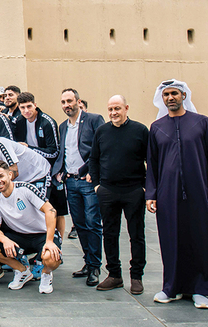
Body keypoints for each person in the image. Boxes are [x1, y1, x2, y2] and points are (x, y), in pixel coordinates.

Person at [146, 79, 208, 308]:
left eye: (174, 93)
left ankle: (201, 289)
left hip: (199, 193)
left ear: (183, 96)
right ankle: (173, 288)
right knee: (171, 240)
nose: (170, 98)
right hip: (168, 196)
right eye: (166, 95)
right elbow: (152, 164)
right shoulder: (157, 127)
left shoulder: (202, 123)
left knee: (201, 239)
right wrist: (151, 194)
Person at [89, 95, 148, 295]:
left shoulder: (140, 130)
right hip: (108, 191)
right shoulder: (102, 131)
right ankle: (114, 274)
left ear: (126, 108)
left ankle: (136, 276)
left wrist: (145, 188)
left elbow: (151, 160)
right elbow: (94, 159)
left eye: (117, 108)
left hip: (134, 191)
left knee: (136, 235)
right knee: (110, 234)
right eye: (110, 109)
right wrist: (97, 186)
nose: (113, 113)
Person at [52, 88, 105, 286]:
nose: (67, 105)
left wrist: (93, 170)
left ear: (78, 101)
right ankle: (88, 261)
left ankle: (95, 266)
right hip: (71, 181)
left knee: (93, 223)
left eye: (70, 101)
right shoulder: (63, 126)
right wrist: (60, 172)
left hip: (88, 181)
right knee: (80, 224)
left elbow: (102, 147)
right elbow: (64, 152)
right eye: (63, 102)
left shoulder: (93, 120)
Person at [0, 161, 62, 293]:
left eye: (1, 176)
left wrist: (49, 241)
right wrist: (5, 240)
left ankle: (46, 274)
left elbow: (50, 210)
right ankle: (22, 271)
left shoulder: (25, 189)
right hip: (19, 236)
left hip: (42, 234)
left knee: (51, 257)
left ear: (10, 175)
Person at [14, 92, 65, 236]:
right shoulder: (19, 121)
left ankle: (59, 241)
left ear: (35, 105)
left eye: (29, 106)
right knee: (37, 209)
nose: (26, 110)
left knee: (58, 209)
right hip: (31, 172)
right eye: (22, 107)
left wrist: (29, 149)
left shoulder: (47, 122)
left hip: (51, 171)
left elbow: (54, 152)